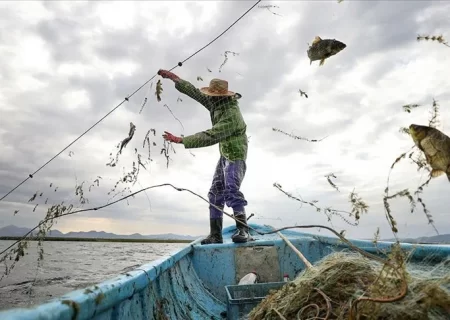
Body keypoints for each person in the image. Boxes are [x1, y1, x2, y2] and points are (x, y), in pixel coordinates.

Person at [157, 69, 250, 245]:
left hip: (236, 154)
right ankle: (215, 234)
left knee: (231, 188)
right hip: (225, 154)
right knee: (215, 192)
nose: (210, 99)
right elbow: (194, 92)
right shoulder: (216, 103)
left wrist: (181, 140)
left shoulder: (232, 115)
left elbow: (212, 135)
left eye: (213, 96)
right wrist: (174, 79)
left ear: (223, 96)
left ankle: (243, 229)